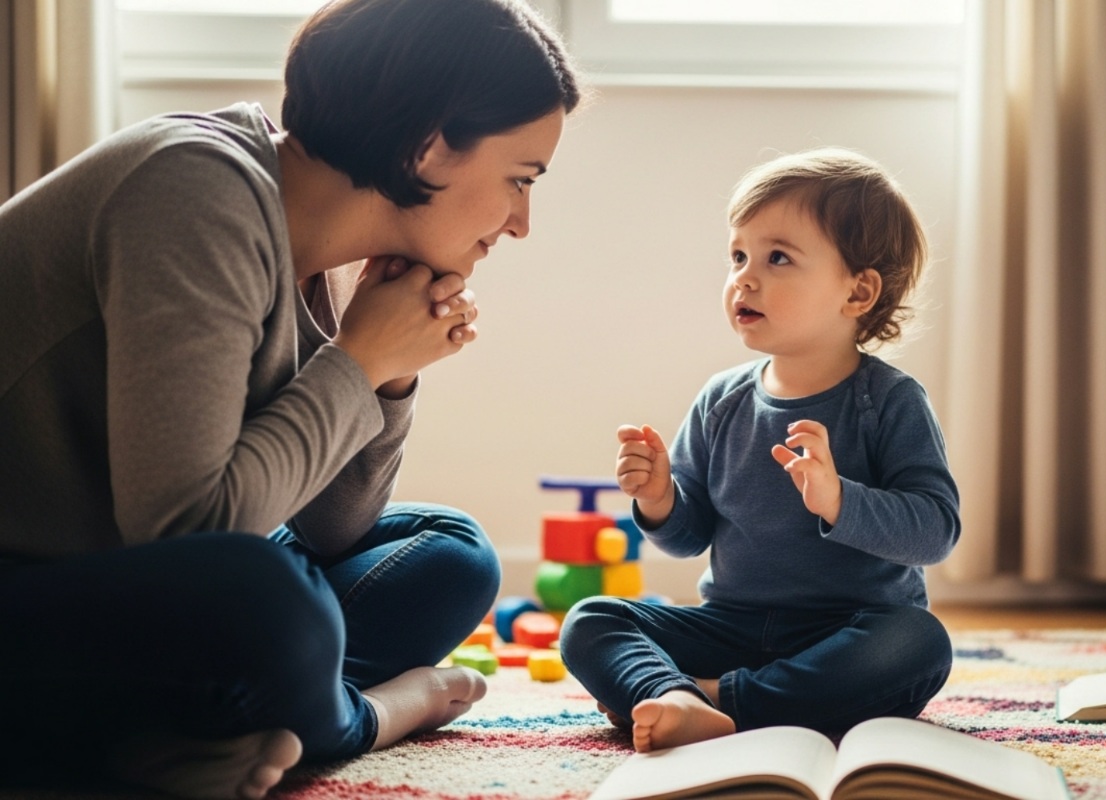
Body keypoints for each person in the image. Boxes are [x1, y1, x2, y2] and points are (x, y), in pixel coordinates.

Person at [0, 0, 580, 797]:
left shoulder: (331, 253)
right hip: (31, 582)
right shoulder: (195, 191)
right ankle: (357, 718)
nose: (521, 222)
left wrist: (388, 375)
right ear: (430, 145)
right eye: (520, 179)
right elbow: (190, 533)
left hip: (114, 592)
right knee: (267, 601)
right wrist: (357, 363)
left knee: (451, 553)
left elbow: (333, 527)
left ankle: (160, 740)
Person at [559, 148, 961, 754]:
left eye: (778, 258)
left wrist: (839, 500)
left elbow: (935, 531)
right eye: (738, 256)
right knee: (592, 619)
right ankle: (677, 695)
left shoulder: (890, 401)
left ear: (858, 292)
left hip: (846, 633)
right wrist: (661, 499)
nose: (744, 278)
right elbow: (688, 537)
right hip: (731, 627)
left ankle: (712, 699)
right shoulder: (721, 401)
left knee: (919, 643)